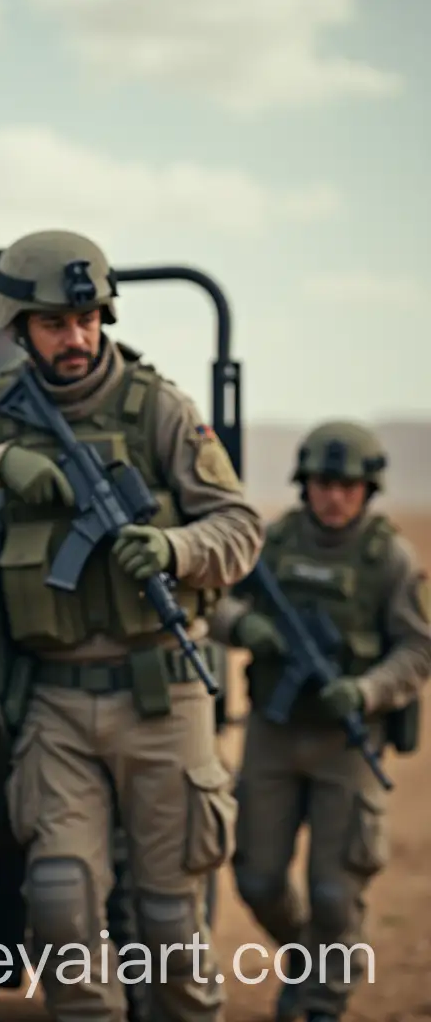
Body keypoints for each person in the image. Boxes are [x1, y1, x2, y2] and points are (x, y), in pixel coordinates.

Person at [0, 229, 264, 1022]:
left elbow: (240, 529)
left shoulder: (160, 408)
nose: (75, 338)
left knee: (171, 921)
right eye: (54, 324)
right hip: (59, 703)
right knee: (62, 908)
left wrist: (175, 548)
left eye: (87, 319)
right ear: (19, 329)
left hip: (161, 695)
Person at [209, 421, 431, 1022]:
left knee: (336, 893)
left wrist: (365, 689)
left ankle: (320, 1002)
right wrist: (245, 627)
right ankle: (312, 959)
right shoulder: (275, 543)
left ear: (370, 489)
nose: (334, 496)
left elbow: (418, 649)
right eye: (323, 484)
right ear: (305, 485)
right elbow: (215, 599)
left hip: (346, 744)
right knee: (256, 878)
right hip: (273, 734)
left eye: (348, 486)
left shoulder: (389, 559)